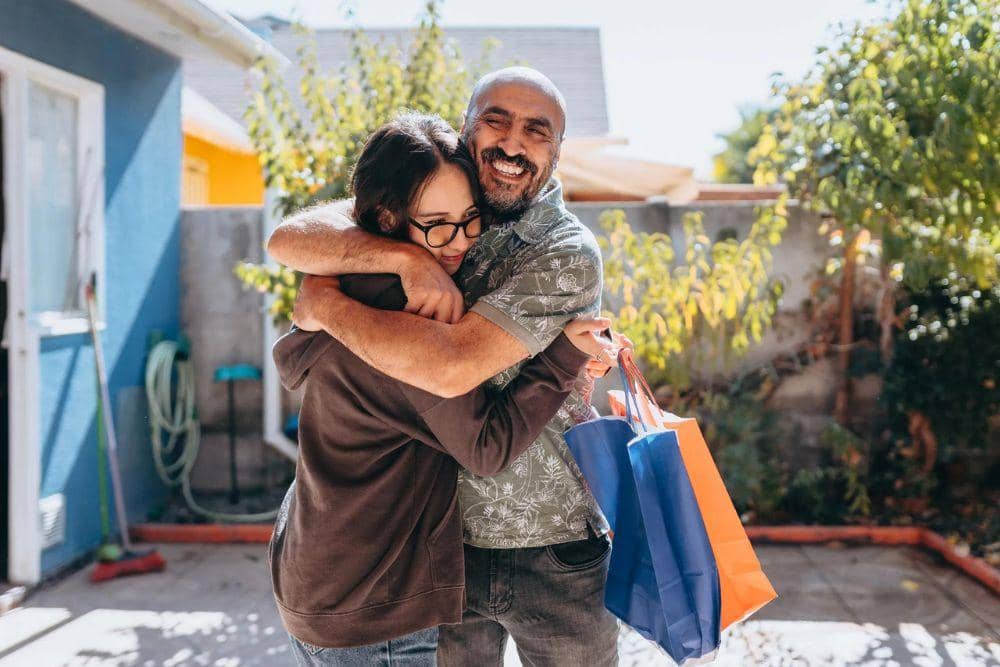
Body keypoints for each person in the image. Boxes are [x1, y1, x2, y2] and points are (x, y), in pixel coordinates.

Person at [269, 68, 622, 666]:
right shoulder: (435, 207)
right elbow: (287, 239)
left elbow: (452, 367)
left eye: (537, 132)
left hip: (550, 543)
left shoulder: (562, 249)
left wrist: (325, 302)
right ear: (466, 132)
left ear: (557, 155)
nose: (513, 143)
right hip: (439, 549)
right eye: (497, 120)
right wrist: (406, 258)